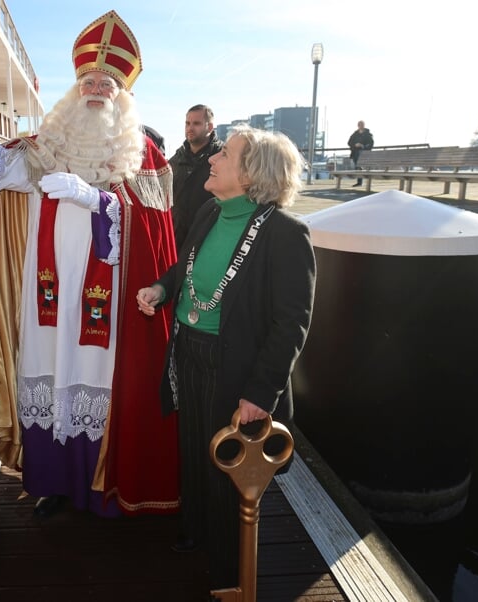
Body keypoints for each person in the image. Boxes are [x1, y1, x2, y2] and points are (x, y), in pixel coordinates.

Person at [0, 10, 179, 518]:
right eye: (88, 79)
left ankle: (102, 485)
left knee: (95, 381)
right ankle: (55, 483)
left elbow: (155, 237)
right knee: (47, 374)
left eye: (108, 82)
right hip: (44, 292)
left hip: (108, 303)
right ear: (74, 85)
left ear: (123, 94)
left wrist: (100, 202)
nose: (96, 88)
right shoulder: (46, 144)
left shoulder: (144, 155)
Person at [136, 125, 316, 590]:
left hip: (238, 371)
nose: (213, 159)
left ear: (252, 173)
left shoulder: (286, 235)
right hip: (190, 354)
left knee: (228, 471)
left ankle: (229, 570)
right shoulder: (209, 213)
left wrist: (261, 394)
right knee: (194, 450)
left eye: (226, 155)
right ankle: (194, 531)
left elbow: (291, 324)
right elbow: (186, 267)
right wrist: (161, 288)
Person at [169, 104, 224, 247]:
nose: (190, 128)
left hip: (210, 239)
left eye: (196, 123)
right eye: (187, 123)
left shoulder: (222, 159)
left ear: (210, 127)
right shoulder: (175, 161)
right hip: (177, 241)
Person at [347, 120, 373, 186]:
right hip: (355, 152)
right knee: (357, 166)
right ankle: (359, 182)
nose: (361, 126)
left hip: (364, 153)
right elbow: (349, 142)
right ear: (358, 126)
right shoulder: (355, 134)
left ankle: (360, 182)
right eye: (360, 125)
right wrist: (355, 145)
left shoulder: (368, 134)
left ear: (364, 125)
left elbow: (371, 144)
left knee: (359, 165)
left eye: (362, 125)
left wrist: (362, 146)